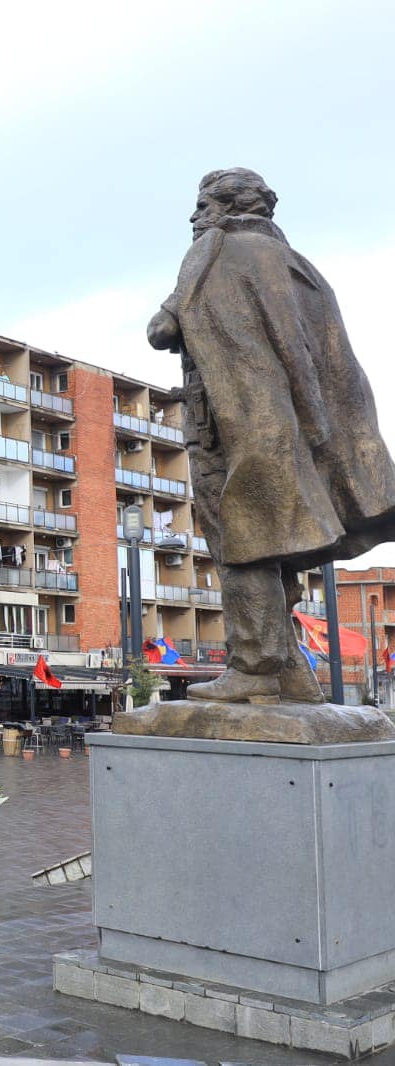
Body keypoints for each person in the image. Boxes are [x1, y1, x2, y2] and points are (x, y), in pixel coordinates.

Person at [147, 168, 395, 704]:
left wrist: (181, 299)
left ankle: (255, 667)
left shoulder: (212, 255)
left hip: (229, 430)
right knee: (275, 548)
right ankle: (290, 674)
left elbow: (159, 332)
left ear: (225, 206)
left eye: (202, 203)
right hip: (298, 434)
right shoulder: (297, 265)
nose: (195, 216)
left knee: (244, 548)